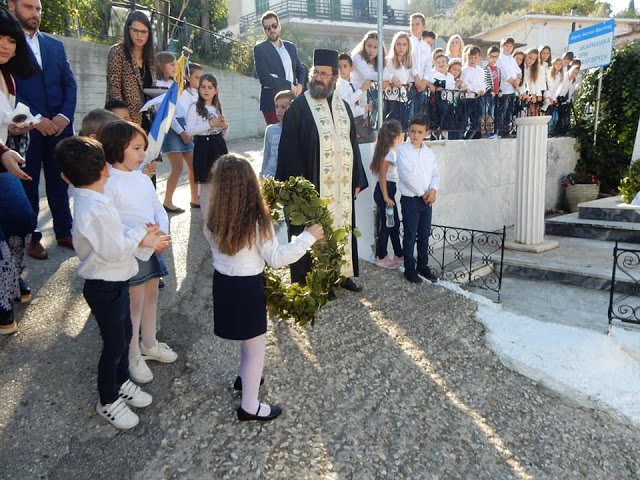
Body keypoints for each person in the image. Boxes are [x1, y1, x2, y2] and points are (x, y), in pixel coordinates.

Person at [54, 136, 169, 429]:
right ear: (106, 168)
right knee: (114, 345)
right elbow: (116, 248)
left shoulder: (95, 200)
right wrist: (141, 237)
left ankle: (122, 382)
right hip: (104, 285)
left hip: (115, 281)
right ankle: (107, 399)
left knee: (125, 332)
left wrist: (141, 235)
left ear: (65, 177)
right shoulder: (95, 208)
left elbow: (118, 238)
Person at [205, 153, 323, 421]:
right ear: (250, 186)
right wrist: (307, 237)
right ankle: (250, 406)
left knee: (247, 339)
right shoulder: (258, 222)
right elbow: (277, 259)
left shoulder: (213, 217)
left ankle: (243, 379)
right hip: (247, 288)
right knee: (256, 345)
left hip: (223, 283)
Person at [276, 49, 368, 292]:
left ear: (335, 77)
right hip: (312, 187)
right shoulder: (299, 108)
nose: (318, 77)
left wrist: (357, 177)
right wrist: (298, 190)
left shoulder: (344, 108)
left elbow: (352, 145)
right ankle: (314, 280)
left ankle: (340, 273)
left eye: (324, 74)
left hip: (341, 187)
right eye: (315, 72)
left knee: (341, 227)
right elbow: (288, 152)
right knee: (313, 231)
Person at [99, 121, 177, 385]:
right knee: (133, 306)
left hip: (152, 248)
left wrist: (161, 235)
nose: (143, 154)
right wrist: (143, 240)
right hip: (131, 253)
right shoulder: (108, 181)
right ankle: (132, 355)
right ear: (115, 149)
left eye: (143, 148)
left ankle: (150, 343)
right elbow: (112, 222)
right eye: (137, 148)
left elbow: (156, 207)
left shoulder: (142, 178)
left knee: (152, 296)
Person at [9, 0, 76, 260]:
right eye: (28, 7)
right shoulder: (7, 46)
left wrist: (62, 117)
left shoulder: (55, 45)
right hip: (26, 128)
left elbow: (69, 84)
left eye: (38, 9)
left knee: (61, 181)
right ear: (12, 6)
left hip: (59, 129)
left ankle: (64, 230)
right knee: (29, 184)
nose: (35, 13)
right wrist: (38, 120)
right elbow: (11, 91)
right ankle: (32, 237)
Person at [0, 5, 39, 334]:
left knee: (21, 217)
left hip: (2, 159)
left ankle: (11, 280)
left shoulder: (9, 77)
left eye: (11, 39)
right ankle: (2, 300)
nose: (5, 45)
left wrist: (14, 132)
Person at [394, 113, 440, 284]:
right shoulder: (403, 151)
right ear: (408, 131)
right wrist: (423, 193)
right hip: (411, 200)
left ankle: (423, 265)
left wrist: (433, 190)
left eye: (419, 132)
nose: (415, 135)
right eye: (412, 131)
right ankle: (410, 268)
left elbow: (435, 174)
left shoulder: (429, 153)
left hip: (427, 200)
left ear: (426, 133)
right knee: (410, 235)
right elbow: (407, 176)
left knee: (424, 235)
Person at [184, 73, 228, 229]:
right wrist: (210, 123)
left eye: (210, 87)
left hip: (218, 146)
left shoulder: (217, 107)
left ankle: (219, 215)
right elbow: (190, 131)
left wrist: (224, 127)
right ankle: (207, 217)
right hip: (203, 147)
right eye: (203, 87)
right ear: (198, 88)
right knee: (205, 183)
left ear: (216, 90)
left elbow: (222, 133)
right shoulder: (194, 107)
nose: (206, 90)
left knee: (219, 182)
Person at [155, 51, 195, 214]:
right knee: (177, 168)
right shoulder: (158, 85)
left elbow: (180, 108)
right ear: (160, 65)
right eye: (171, 64)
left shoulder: (172, 84)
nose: (175, 66)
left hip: (183, 126)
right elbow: (166, 113)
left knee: (194, 166)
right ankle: (168, 202)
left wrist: (189, 127)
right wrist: (181, 132)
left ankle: (196, 198)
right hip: (173, 130)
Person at [106, 10, 156, 128]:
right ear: (128, 30)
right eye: (135, 30)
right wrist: (124, 117)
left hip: (147, 118)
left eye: (144, 32)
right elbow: (114, 88)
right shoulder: (118, 52)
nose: (140, 35)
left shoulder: (151, 57)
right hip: (123, 120)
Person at [253, 11, 305, 125]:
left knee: (293, 137)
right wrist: (289, 85)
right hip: (272, 103)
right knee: (277, 138)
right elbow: (265, 78)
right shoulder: (260, 49)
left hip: (292, 99)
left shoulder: (290, 47)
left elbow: (300, 69)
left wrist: (300, 84)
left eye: (274, 26)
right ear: (264, 30)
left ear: (279, 26)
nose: (272, 30)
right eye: (267, 28)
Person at [370, 119, 404, 269]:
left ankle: (399, 254)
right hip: (386, 191)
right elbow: (382, 176)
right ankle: (381, 256)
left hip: (387, 190)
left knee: (393, 223)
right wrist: (386, 197)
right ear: (397, 135)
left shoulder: (386, 151)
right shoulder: (389, 153)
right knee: (388, 225)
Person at [175, 62, 204, 208]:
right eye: (197, 77)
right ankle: (195, 196)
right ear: (188, 77)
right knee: (191, 166)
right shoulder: (184, 94)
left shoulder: (199, 93)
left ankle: (197, 195)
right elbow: (184, 114)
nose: (200, 81)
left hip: (199, 131)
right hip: (190, 132)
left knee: (198, 165)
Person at [335, 52, 375, 144]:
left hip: (358, 118)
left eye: (345, 66)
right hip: (347, 119)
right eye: (339, 67)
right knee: (371, 137)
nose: (342, 69)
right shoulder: (339, 86)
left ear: (351, 68)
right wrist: (362, 89)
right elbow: (347, 103)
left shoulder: (354, 84)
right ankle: (351, 137)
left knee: (373, 134)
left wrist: (365, 115)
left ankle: (353, 137)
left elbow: (361, 101)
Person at [383, 31, 419, 130]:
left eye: (404, 44)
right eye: (398, 44)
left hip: (403, 100)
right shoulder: (388, 60)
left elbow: (410, 76)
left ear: (408, 47)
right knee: (390, 129)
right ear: (394, 45)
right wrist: (392, 78)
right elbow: (382, 75)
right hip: (390, 100)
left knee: (402, 128)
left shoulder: (408, 62)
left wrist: (409, 82)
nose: (401, 47)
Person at [260, 89, 293, 178]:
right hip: (270, 176)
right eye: (276, 106)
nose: (278, 110)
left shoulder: (297, 131)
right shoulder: (270, 130)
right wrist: (261, 176)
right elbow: (266, 156)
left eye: (283, 107)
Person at [495, 37, 521, 137]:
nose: (508, 48)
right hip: (504, 89)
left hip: (512, 90)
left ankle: (507, 130)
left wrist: (518, 80)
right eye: (506, 46)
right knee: (502, 110)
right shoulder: (500, 59)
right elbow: (504, 75)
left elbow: (518, 72)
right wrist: (513, 82)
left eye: (510, 46)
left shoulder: (512, 59)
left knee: (509, 111)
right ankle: (501, 131)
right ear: (502, 46)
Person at [409, 13, 433, 116]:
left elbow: (428, 65)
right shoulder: (408, 42)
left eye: (417, 24)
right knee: (409, 113)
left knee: (418, 114)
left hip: (421, 86)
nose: (414, 27)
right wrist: (416, 75)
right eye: (412, 24)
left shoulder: (426, 46)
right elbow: (408, 60)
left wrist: (424, 80)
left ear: (423, 26)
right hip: (410, 82)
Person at [460, 45, 485, 139]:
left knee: (477, 122)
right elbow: (465, 83)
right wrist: (476, 90)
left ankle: (468, 138)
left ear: (479, 58)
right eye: (470, 57)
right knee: (464, 121)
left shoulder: (480, 70)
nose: (472, 60)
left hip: (477, 99)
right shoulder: (465, 70)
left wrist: (482, 90)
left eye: (475, 58)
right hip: (467, 99)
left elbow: (482, 83)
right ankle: (461, 138)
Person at [431, 54, 455, 139]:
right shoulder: (434, 75)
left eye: (443, 61)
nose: (441, 63)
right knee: (439, 116)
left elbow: (453, 88)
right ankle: (437, 130)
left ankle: (444, 134)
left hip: (449, 101)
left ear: (447, 64)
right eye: (438, 62)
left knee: (448, 118)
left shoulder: (450, 76)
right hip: (438, 102)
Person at [482, 45, 502, 137]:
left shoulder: (498, 69)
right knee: (484, 114)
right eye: (492, 57)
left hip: (494, 96)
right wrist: (489, 90)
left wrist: (499, 90)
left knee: (490, 114)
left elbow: (499, 81)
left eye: (496, 57)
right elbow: (485, 80)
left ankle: (489, 132)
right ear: (488, 57)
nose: (494, 59)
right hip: (487, 95)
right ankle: (483, 133)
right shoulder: (485, 69)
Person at [523, 48, 544, 116]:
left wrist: (534, 95)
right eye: (529, 57)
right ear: (526, 55)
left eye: (533, 59)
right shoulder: (521, 66)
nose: (531, 61)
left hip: (524, 93)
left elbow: (531, 82)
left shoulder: (531, 69)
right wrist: (523, 93)